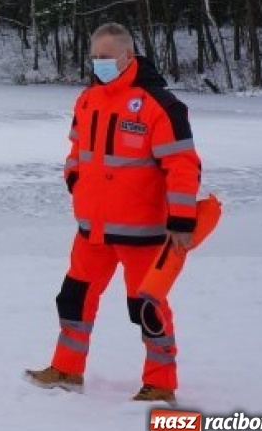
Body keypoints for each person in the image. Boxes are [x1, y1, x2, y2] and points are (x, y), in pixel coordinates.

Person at [25, 21, 202, 406]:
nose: (98, 63)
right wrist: (75, 179)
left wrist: (182, 221)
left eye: (105, 57)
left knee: (148, 309)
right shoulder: (88, 99)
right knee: (73, 298)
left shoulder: (162, 105)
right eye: (93, 57)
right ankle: (67, 368)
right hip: (92, 229)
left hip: (144, 232)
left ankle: (160, 383)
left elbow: (183, 165)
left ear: (127, 56)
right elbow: (75, 149)